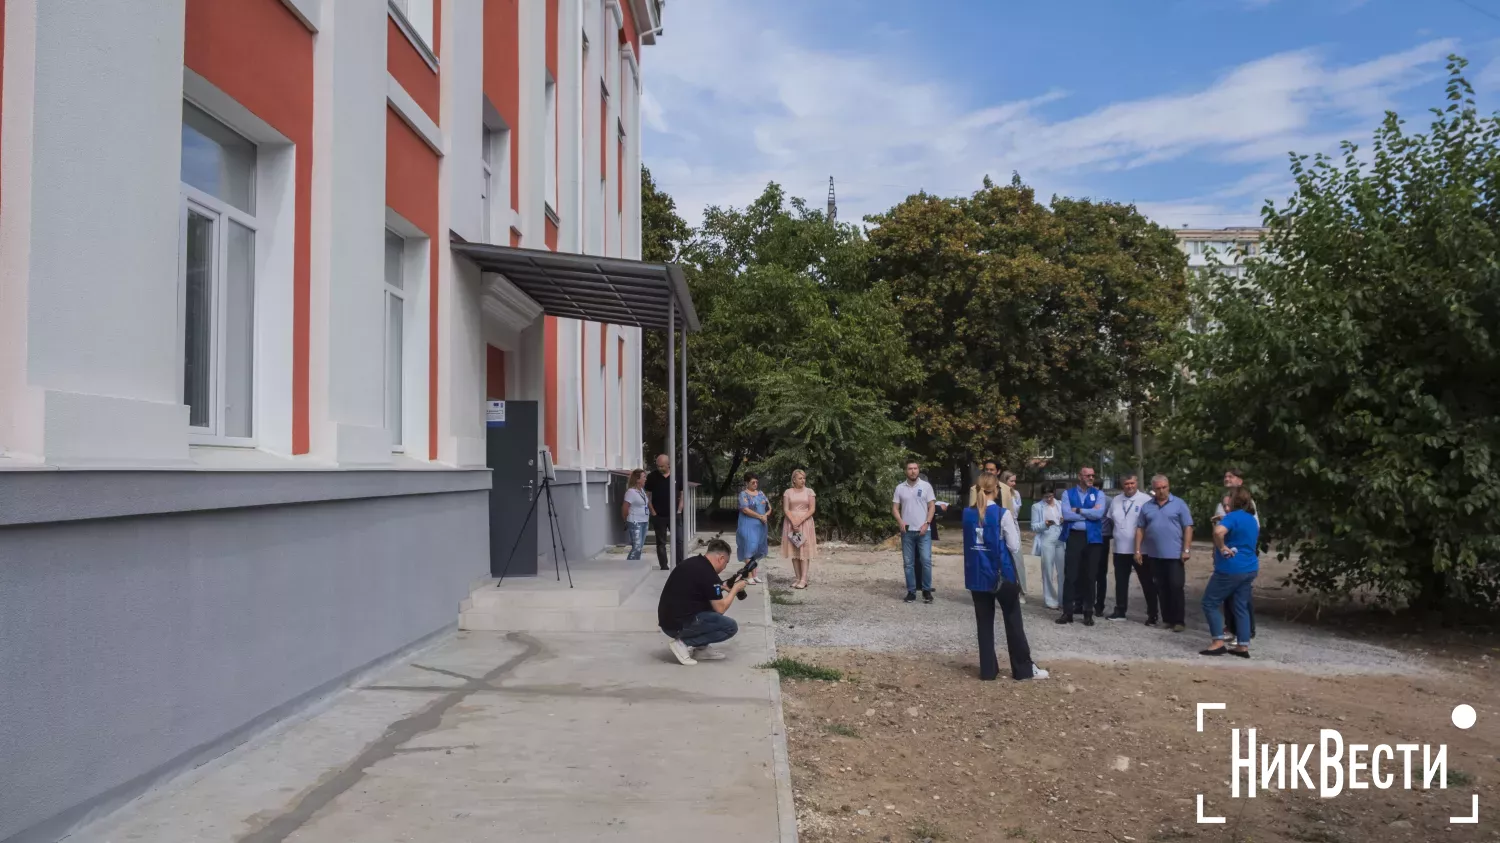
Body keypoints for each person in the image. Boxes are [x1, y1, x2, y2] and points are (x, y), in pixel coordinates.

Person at [964, 472, 1048, 681]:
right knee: (1013, 621)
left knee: (984, 624)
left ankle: (988, 670)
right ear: (997, 490)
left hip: (977, 576)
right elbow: (1014, 545)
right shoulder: (1003, 514)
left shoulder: (967, 514)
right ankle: (1023, 669)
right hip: (1001, 575)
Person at [657, 539, 746, 665]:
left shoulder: (695, 563)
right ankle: (682, 644)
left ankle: (701, 649)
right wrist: (735, 589)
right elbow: (720, 608)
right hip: (677, 626)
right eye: (726, 563)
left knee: (709, 609)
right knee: (730, 627)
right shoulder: (709, 574)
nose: (724, 567)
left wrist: (722, 586)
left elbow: (702, 587)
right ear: (721, 558)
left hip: (669, 620)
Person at [1201, 487, 1259, 658]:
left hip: (1231, 568)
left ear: (1234, 501)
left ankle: (1218, 642)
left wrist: (1222, 547)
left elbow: (1219, 532)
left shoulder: (1233, 517)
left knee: (1209, 602)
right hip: (1250, 567)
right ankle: (1243, 646)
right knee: (1241, 606)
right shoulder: (1250, 519)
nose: (1225, 506)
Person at [1134, 475, 1195, 632]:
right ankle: (1167, 619)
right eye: (1158, 488)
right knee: (1161, 587)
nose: (1161, 491)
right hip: (1154, 555)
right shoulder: (1147, 506)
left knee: (1175, 586)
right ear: (1153, 489)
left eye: (1164, 487)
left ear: (1168, 487)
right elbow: (1140, 528)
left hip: (1175, 555)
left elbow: (1188, 527)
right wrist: (1138, 550)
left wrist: (1186, 549)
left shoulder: (1179, 504)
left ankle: (1179, 621)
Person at [1213, 468, 1259, 645]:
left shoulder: (1247, 506)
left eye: (1230, 476)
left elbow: (1252, 528)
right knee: (1230, 596)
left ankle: (1246, 632)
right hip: (1225, 556)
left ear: (1240, 481)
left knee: (1239, 598)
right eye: (1225, 476)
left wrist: (1226, 542)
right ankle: (1232, 629)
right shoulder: (1224, 501)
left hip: (1239, 555)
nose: (1226, 479)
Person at [1057, 467, 1107, 626]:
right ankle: (1067, 611)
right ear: (1080, 476)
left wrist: (1078, 510)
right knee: (1071, 574)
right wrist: (1089, 513)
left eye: (1093, 475)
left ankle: (1088, 612)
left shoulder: (1099, 494)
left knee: (1090, 576)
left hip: (1093, 539)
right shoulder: (1067, 494)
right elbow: (1066, 515)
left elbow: (1098, 515)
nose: (1091, 478)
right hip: (1074, 537)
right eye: (1088, 475)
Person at [1105, 474, 1156, 624]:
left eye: (1132, 483)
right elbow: (1111, 520)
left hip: (1141, 550)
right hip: (1120, 549)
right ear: (1122, 485)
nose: (1129, 486)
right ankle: (1120, 611)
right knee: (1121, 581)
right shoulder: (1116, 500)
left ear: (1137, 483)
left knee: (1146, 582)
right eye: (1126, 484)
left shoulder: (1146, 500)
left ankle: (1152, 614)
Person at [892, 460, 937, 603]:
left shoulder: (926, 486)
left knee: (926, 561)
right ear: (906, 471)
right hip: (907, 531)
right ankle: (911, 591)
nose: (913, 471)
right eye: (910, 468)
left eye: (915, 468)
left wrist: (927, 523)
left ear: (918, 470)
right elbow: (895, 508)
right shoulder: (900, 488)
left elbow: (932, 507)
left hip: (924, 530)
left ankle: (926, 591)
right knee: (908, 563)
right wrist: (900, 521)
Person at [643, 454, 684, 571]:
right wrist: (653, 511)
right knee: (661, 542)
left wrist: (679, 510)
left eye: (662, 466)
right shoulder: (652, 477)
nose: (660, 468)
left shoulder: (677, 476)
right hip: (659, 515)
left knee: (678, 540)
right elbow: (647, 496)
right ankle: (664, 566)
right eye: (658, 466)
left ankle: (679, 565)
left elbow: (682, 494)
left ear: (668, 464)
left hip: (675, 515)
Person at [781, 469, 819, 589]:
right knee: (795, 551)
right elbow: (786, 509)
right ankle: (797, 578)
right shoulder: (788, 492)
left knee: (804, 551)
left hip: (804, 523)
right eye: (800, 478)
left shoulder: (809, 492)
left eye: (804, 478)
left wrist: (799, 520)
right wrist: (793, 521)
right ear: (794, 480)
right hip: (791, 524)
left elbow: (812, 509)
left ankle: (804, 579)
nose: (803, 480)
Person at [1030, 488, 1066, 609]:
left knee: (1063, 571)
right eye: (1046, 497)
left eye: (1050, 496)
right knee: (1048, 570)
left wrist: (1064, 520)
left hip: (1060, 537)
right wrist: (1045, 524)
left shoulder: (1060, 504)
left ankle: (1063, 599)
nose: (1049, 499)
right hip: (1047, 537)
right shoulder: (1037, 507)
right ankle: (1050, 599)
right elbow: (1034, 526)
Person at [735, 472, 770, 583]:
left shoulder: (761, 494)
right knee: (749, 549)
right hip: (748, 526)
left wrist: (765, 515)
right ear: (747, 483)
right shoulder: (743, 495)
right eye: (752, 482)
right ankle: (749, 575)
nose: (755, 484)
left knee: (757, 550)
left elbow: (769, 507)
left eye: (756, 482)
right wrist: (760, 516)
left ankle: (755, 574)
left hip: (761, 526)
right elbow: (745, 509)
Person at [999, 471, 1027, 598]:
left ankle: (1021, 590)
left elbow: (1016, 512)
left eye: (1015, 481)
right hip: (1000, 525)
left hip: (1013, 525)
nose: (1014, 484)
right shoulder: (998, 493)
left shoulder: (1016, 494)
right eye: (1011, 481)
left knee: (1017, 558)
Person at [622, 469, 652, 560]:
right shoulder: (631, 492)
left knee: (639, 548)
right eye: (644, 477)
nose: (645, 479)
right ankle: (629, 565)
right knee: (636, 547)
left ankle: (636, 564)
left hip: (644, 521)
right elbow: (625, 508)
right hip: (635, 522)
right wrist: (626, 521)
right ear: (637, 479)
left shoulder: (641, 491)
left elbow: (646, 503)